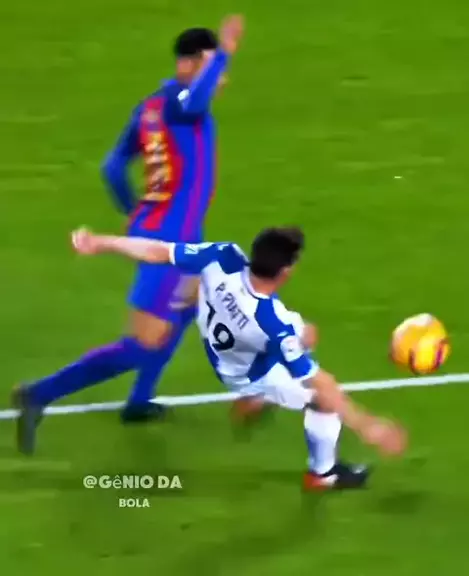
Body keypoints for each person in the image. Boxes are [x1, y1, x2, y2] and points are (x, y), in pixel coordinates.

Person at [13, 16, 245, 451]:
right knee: (140, 344)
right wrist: (226, 51)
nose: (222, 78)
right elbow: (194, 102)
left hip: (166, 231)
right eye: (211, 66)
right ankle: (38, 394)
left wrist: (131, 210)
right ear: (190, 64)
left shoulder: (149, 107)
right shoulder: (183, 103)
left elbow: (112, 167)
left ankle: (139, 401)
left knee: (192, 303)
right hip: (168, 241)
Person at [65, 226, 407, 489]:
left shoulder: (223, 256)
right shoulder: (276, 325)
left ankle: (258, 399)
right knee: (322, 402)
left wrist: (101, 242)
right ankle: (323, 474)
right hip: (249, 372)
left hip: (223, 348)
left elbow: (157, 251)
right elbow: (320, 382)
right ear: (285, 272)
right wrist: (368, 426)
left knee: (303, 334)